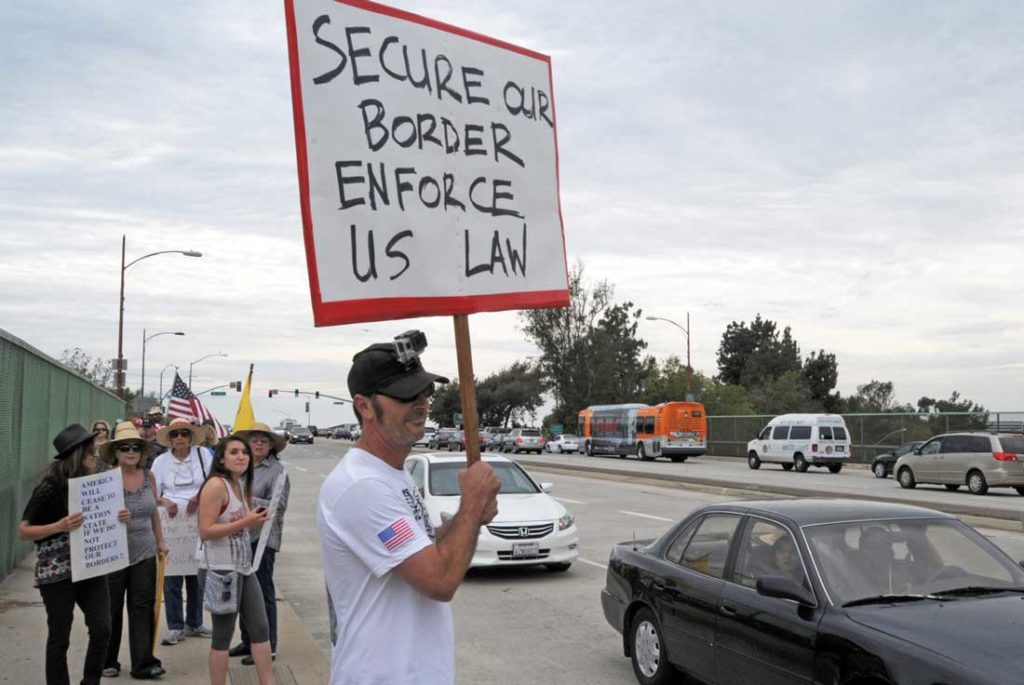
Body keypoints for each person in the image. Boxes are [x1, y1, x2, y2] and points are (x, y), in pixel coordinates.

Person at [318, 335, 501, 685]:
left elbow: (421, 548)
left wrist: (469, 518)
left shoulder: (392, 474)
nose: (421, 403)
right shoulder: (362, 486)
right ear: (365, 406)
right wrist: (472, 503)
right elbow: (439, 580)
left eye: (425, 392)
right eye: (406, 394)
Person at [18, 424, 116, 685]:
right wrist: (58, 527)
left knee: (103, 627)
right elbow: (24, 531)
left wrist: (120, 518)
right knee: (60, 634)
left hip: (91, 564)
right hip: (57, 571)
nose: (96, 456)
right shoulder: (49, 488)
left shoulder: (94, 483)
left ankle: (90, 681)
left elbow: (105, 519)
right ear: (77, 455)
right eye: (91, 452)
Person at [196, 435, 273, 685]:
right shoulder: (216, 485)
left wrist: (259, 518)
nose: (242, 456)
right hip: (219, 570)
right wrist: (247, 521)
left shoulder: (239, 484)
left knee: (260, 628)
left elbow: (242, 525)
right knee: (222, 636)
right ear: (221, 458)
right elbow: (205, 531)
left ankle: (267, 681)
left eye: (245, 453)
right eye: (234, 452)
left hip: (243, 567)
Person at [100, 422, 168, 679]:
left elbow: (154, 514)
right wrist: (113, 515)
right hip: (113, 553)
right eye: (125, 447)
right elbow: (92, 517)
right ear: (116, 452)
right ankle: (108, 660)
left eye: (136, 447)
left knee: (142, 606)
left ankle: (143, 663)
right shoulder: (105, 478)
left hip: (144, 551)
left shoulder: (149, 477)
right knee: (111, 608)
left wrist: (161, 541)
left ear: (142, 452)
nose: (131, 451)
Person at [228, 422, 290, 664]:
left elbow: (278, 506)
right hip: (240, 536)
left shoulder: (278, 471)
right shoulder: (240, 467)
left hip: (263, 540)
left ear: (271, 445)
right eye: (255, 440)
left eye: (264, 440)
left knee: (263, 593)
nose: (259, 443)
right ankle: (248, 640)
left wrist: (247, 499)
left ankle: (268, 646)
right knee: (242, 593)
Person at [151, 417, 213, 645]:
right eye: (175, 434)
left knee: (197, 575)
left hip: (198, 520)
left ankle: (195, 622)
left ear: (190, 437)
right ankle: (175, 626)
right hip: (172, 523)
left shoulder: (203, 455)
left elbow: (214, 480)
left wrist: (200, 496)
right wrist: (165, 501)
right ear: (169, 439)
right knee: (172, 578)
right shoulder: (160, 462)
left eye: (184, 434)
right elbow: (152, 491)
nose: (179, 438)